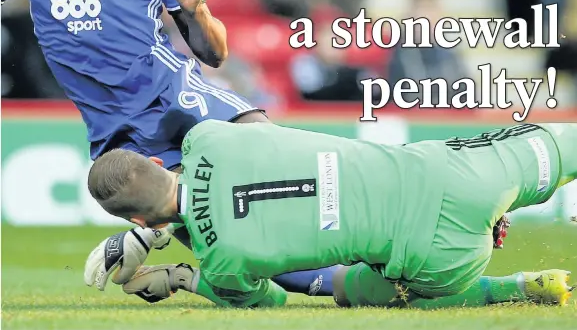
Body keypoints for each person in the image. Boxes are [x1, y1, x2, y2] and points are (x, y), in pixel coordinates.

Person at [1, 0, 335, 297]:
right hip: (121, 134)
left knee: (286, 159)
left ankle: (383, 241)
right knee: (276, 268)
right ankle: (171, 240)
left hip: (178, 96)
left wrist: (195, 10)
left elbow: (215, 53)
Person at [86, 120, 576, 308]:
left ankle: (517, 288)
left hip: (441, 257)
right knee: (564, 145)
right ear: (155, 161)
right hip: (454, 174)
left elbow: (273, 303)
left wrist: (181, 277)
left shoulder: (225, 263)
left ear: (141, 223)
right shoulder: (207, 137)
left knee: (353, 289)